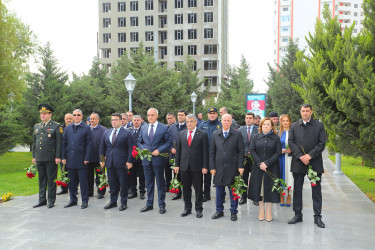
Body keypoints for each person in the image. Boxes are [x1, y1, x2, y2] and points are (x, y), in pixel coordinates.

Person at [288, 104, 326, 228]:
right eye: (303, 111)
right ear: (300, 112)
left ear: (311, 112)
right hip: (298, 162)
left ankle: (317, 217)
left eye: (307, 111)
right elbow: (291, 142)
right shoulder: (294, 126)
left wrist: (309, 156)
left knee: (316, 190)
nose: (305, 113)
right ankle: (297, 214)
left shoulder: (319, 125)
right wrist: (300, 156)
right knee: (297, 189)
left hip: (314, 162)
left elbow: (321, 143)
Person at [209, 114, 244, 221]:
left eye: (228, 120)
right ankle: (219, 210)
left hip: (232, 167)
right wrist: (212, 167)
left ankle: (233, 211)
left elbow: (240, 152)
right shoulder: (215, 134)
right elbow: (212, 152)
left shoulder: (237, 134)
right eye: (224, 120)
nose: (226, 122)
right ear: (221, 121)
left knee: (233, 190)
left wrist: (240, 166)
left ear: (231, 122)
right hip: (218, 168)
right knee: (219, 190)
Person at [137, 108, 172, 214]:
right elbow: (139, 142)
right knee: (149, 183)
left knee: (160, 183)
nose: (150, 117)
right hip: (146, 160)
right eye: (148, 115)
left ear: (157, 116)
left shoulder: (164, 127)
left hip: (158, 160)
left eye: (152, 115)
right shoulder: (143, 128)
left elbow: (169, 142)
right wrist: (143, 149)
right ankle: (149, 204)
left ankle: (162, 205)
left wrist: (159, 150)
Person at [174, 114, 208, 218]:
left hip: (197, 166)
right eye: (188, 122)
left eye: (191, 122)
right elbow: (178, 151)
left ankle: (199, 209)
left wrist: (205, 166)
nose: (189, 123)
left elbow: (205, 152)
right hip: (184, 166)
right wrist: (177, 165)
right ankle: (187, 208)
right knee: (186, 188)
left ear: (195, 122)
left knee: (198, 189)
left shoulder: (202, 134)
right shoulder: (182, 134)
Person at [248, 117, 282, 222]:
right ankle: (261, 211)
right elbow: (252, 150)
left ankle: (269, 212)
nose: (266, 126)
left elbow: (278, 152)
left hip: (272, 168)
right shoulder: (256, 137)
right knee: (260, 189)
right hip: (258, 168)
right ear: (261, 126)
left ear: (272, 126)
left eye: (268, 124)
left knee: (270, 190)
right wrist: (260, 163)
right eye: (264, 124)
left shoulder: (276, 138)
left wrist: (267, 163)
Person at [100, 113, 133, 211]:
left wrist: (129, 161)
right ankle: (113, 202)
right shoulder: (106, 132)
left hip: (122, 163)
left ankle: (123, 203)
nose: (113, 122)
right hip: (109, 162)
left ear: (120, 121)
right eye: (112, 120)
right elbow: (102, 147)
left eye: (115, 120)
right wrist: (101, 160)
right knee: (112, 183)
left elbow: (131, 148)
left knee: (123, 184)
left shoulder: (127, 133)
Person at [32, 103, 63, 208]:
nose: (43, 116)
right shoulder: (37, 126)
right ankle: (42, 200)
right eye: (41, 114)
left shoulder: (56, 126)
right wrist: (34, 156)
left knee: (51, 179)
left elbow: (59, 143)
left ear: (50, 115)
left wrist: (58, 157)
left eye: (45, 114)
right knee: (41, 180)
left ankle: (51, 200)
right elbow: (34, 143)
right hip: (40, 157)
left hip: (51, 158)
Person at [62, 109, 93, 209]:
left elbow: (89, 144)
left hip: (81, 159)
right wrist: (63, 156)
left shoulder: (87, 128)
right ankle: (73, 200)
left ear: (82, 116)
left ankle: (84, 201)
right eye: (74, 115)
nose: (76, 116)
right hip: (70, 159)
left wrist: (87, 157)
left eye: (78, 115)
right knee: (71, 182)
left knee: (83, 182)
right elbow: (64, 143)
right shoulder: (68, 128)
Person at [198, 107, 222, 202]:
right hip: (206, 154)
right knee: (206, 176)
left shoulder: (220, 124)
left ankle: (221, 195)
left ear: (217, 114)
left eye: (214, 113)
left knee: (219, 175)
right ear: (207, 115)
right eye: (210, 113)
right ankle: (206, 194)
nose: (212, 115)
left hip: (218, 154)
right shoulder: (203, 125)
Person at [238, 112, 259, 205]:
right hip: (244, 158)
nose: (248, 120)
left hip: (255, 158)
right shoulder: (240, 130)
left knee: (255, 178)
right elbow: (239, 144)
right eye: (247, 118)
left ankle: (255, 197)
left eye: (250, 118)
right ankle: (243, 197)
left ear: (254, 119)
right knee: (243, 177)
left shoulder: (258, 129)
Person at [168, 109, 188, 200]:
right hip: (175, 155)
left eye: (182, 115)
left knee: (185, 175)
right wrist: (171, 148)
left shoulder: (188, 126)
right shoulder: (172, 127)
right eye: (179, 115)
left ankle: (186, 192)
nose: (180, 116)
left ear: (185, 116)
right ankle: (178, 192)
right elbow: (168, 140)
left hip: (185, 155)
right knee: (176, 174)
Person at [88, 112, 107, 199]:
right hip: (88, 158)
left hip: (99, 157)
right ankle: (89, 192)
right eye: (91, 119)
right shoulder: (87, 129)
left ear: (98, 120)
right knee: (88, 176)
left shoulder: (104, 130)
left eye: (93, 119)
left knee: (100, 176)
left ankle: (101, 192)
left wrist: (103, 157)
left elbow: (106, 144)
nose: (91, 120)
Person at [128, 115, 146, 200]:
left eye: (137, 120)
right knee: (132, 175)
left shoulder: (143, 130)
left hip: (140, 157)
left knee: (142, 176)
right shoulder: (129, 131)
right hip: (131, 157)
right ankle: (133, 191)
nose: (136, 122)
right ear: (131, 121)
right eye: (134, 120)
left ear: (141, 121)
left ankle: (142, 192)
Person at [57, 113, 74, 195]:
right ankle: (64, 188)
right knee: (63, 170)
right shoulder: (60, 128)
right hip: (63, 154)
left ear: (73, 119)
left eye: (70, 118)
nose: (68, 120)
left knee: (72, 172)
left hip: (72, 153)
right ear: (64, 119)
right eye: (67, 118)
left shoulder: (75, 128)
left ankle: (73, 188)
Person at [278, 114, 293, 207]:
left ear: (290, 122)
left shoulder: (293, 132)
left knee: (289, 176)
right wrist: (281, 150)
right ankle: (281, 196)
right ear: (281, 122)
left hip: (291, 158)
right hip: (281, 158)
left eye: (287, 120)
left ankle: (289, 196)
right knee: (281, 176)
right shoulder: (278, 133)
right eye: (283, 121)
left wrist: (292, 149)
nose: (285, 122)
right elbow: (274, 147)